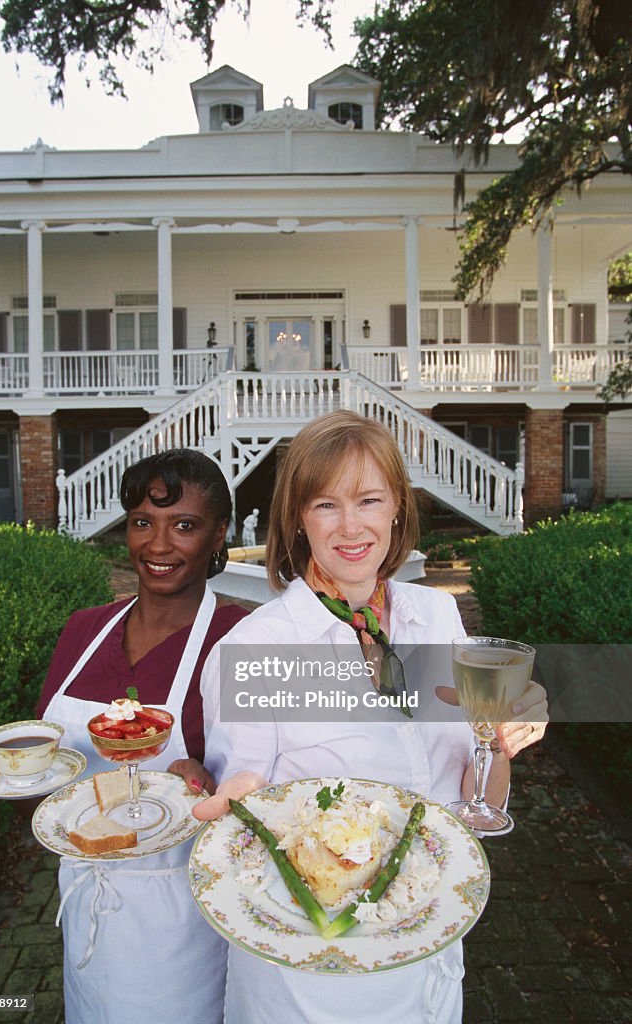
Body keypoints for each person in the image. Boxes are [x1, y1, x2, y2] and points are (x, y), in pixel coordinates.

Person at [194, 410, 548, 1024]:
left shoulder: (436, 619)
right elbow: (246, 823)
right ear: (298, 520)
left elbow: (470, 795)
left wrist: (500, 745)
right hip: (311, 975)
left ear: (396, 510)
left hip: (430, 950)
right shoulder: (254, 650)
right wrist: (239, 799)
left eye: (369, 499)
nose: (351, 526)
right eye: (326, 504)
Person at [0, 449, 248, 1024]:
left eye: (184, 525)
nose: (158, 545)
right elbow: (57, 781)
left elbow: (268, 795)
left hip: (187, 919)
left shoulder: (241, 638)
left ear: (220, 534)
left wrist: (212, 789)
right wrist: (6, 774)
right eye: (143, 522)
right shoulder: (83, 631)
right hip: (86, 901)